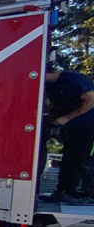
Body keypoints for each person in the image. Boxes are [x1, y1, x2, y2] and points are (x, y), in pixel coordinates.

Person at [44, 69, 94, 200]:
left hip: (87, 124)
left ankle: (86, 193)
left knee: (82, 159)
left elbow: (91, 99)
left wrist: (67, 118)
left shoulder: (72, 78)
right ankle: (65, 190)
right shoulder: (50, 85)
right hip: (73, 128)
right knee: (69, 158)